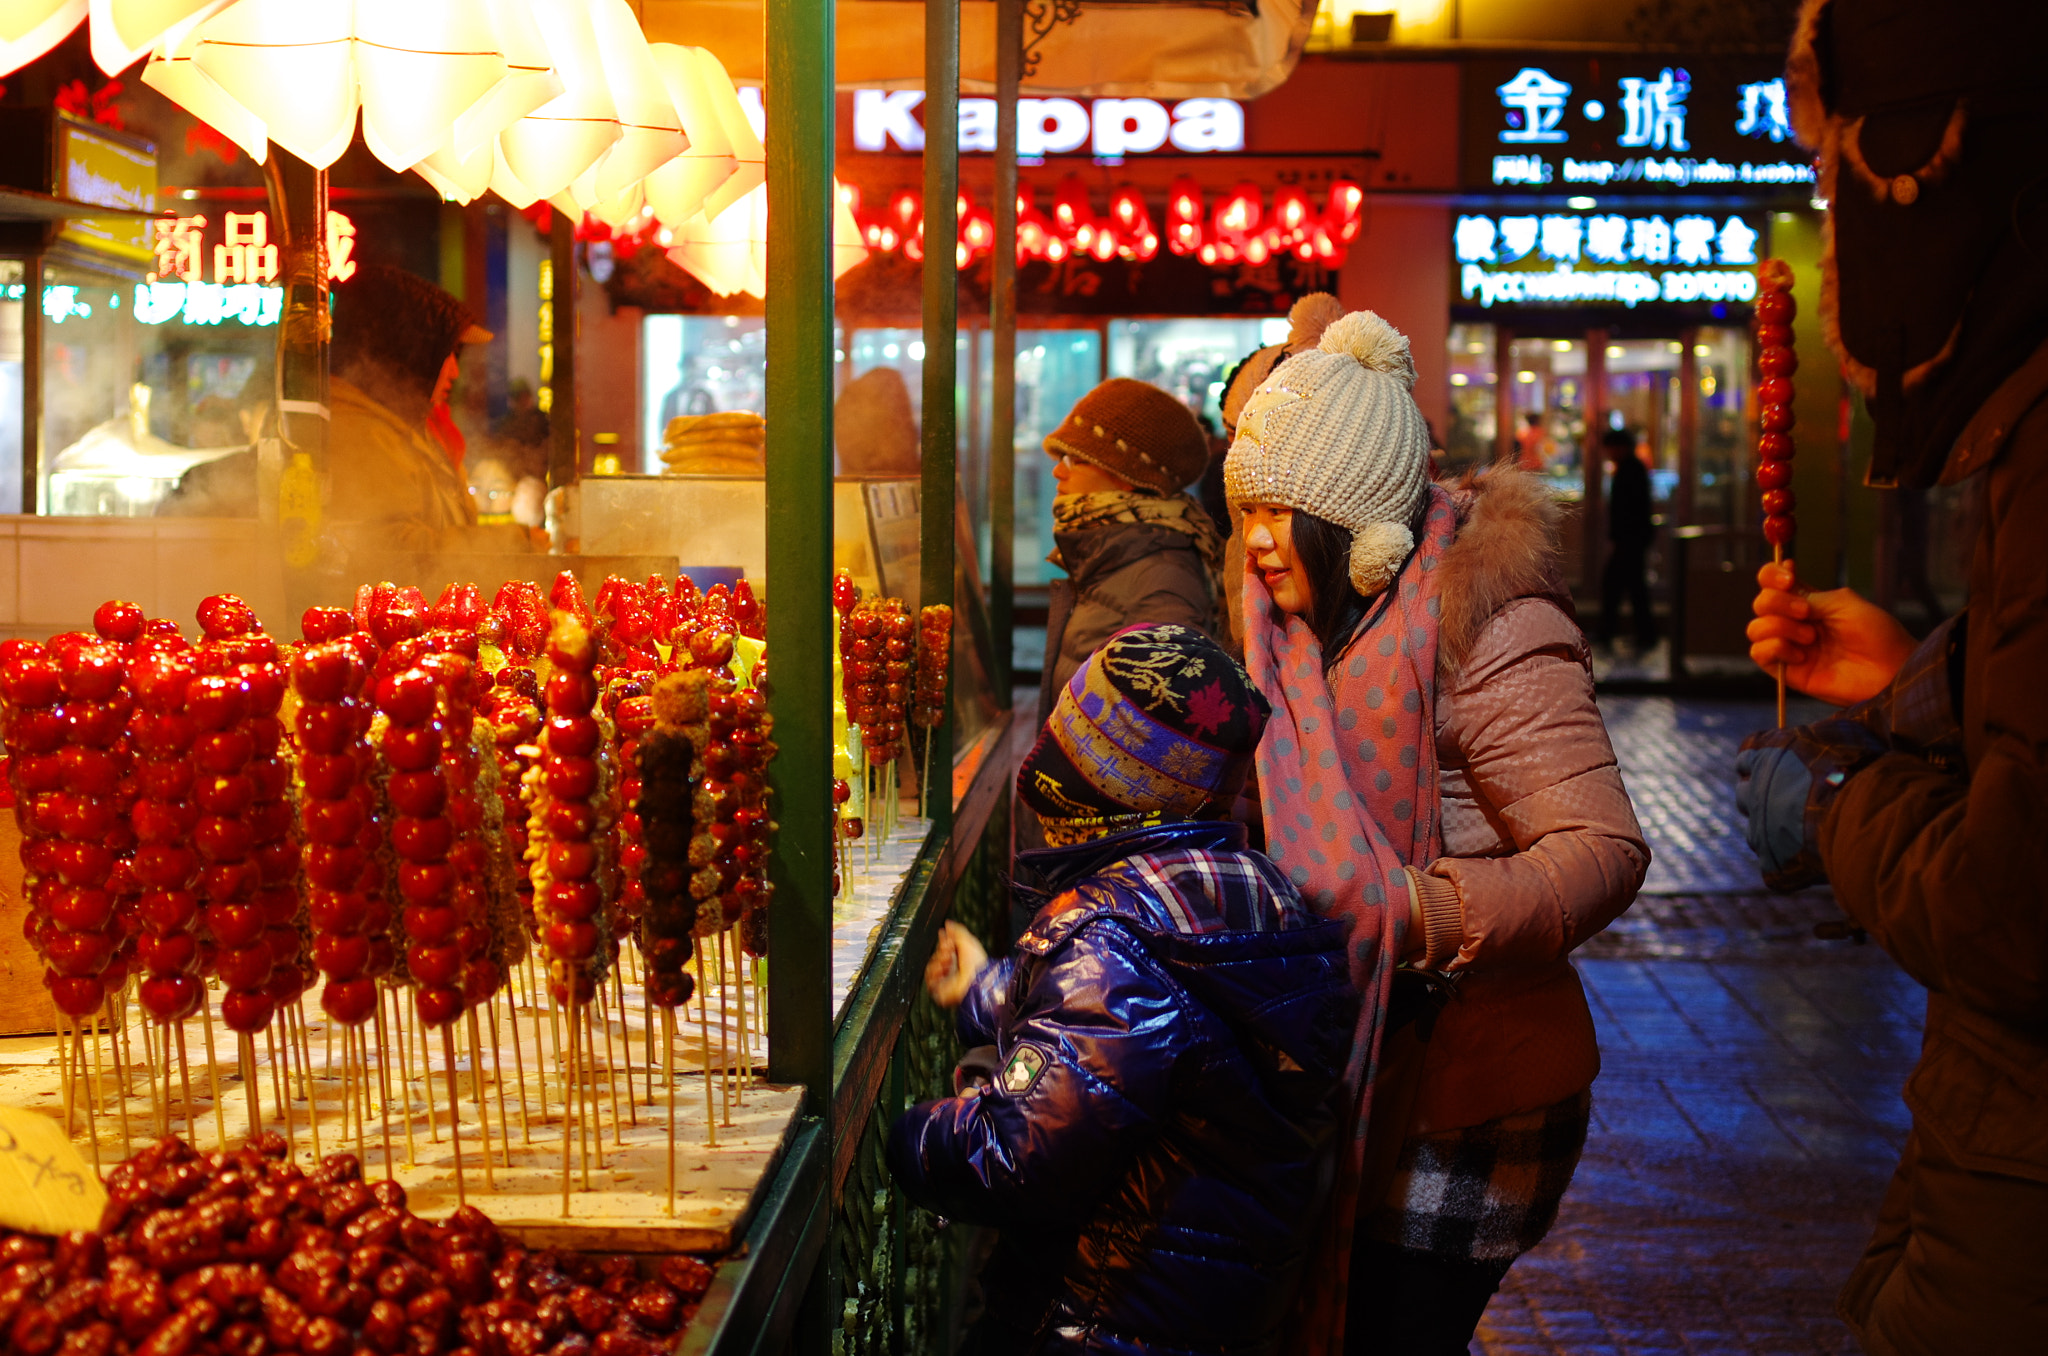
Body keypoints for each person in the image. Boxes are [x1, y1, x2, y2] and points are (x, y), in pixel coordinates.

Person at [1225, 309, 1648, 1353]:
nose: (1258, 539)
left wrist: (1414, 909)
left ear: (1358, 521)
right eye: (1247, 508)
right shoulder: (1291, 625)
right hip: (1362, 1074)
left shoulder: (1487, 624)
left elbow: (1601, 850)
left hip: (1475, 1096)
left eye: (1286, 510)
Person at [1737, 2, 2048, 1349]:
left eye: (1836, 174)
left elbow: (2012, 908)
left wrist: (1837, 803)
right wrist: (1915, 680)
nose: (1832, 213)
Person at [889, 623, 1356, 1356]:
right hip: (1202, 1311)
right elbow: (1110, 1023)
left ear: (1097, 782)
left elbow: (1016, 1157)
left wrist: (911, 1132)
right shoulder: (1238, 890)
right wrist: (986, 989)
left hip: (1101, 1321)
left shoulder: (1111, 944)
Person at [1036, 377, 1223, 725]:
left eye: (1075, 460)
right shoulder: (1110, 554)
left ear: (1127, 475)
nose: (1058, 471)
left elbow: (1164, 727)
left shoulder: (1162, 577)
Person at [327, 263, 495, 553]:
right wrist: (515, 544)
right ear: (408, 350)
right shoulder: (361, 435)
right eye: (446, 353)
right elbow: (391, 552)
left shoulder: (417, 429)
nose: (454, 371)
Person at [1598, 425, 1657, 651]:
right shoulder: (1632, 468)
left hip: (1629, 539)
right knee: (1633, 586)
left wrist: (1618, 537)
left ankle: (1612, 631)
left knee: (1618, 585)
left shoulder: (1629, 470)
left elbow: (1628, 510)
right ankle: (1642, 633)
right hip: (1633, 539)